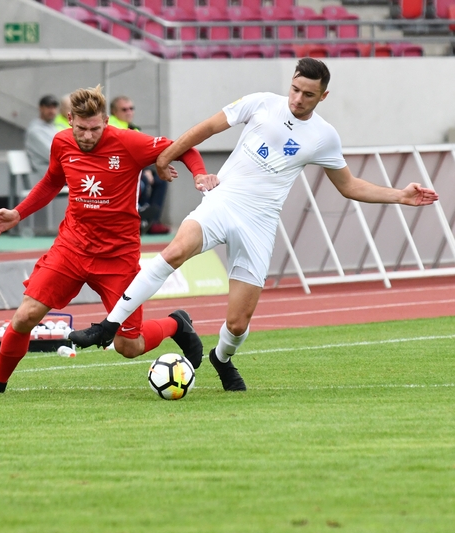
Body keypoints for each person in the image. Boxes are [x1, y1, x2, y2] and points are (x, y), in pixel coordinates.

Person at [69, 58, 440, 392]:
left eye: (308, 94)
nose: (297, 99)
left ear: (323, 96)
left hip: (260, 224)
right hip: (223, 201)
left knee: (237, 323)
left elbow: (349, 186)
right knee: (175, 251)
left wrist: (401, 196)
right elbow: (207, 128)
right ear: (290, 83)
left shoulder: (324, 136)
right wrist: (165, 156)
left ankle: (222, 359)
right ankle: (108, 325)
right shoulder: (262, 102)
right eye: (295, 89)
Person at [0, 85, 207, 397]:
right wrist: (18, 214)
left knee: (129, 346)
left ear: (105, 120)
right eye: (81, 128)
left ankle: (176, 323)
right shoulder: (61, 141)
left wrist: (198, 175)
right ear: (69, 120)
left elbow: (185, 147)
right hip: (72, 247)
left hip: (118, 256)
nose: (88, 136)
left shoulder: (128, 141)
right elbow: (52, 180)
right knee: (25, 316)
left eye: (95, 128)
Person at [109, 95, 170, 235]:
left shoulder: (132, 128)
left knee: (161, 179)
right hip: (118, 169)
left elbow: (142, 151)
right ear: (114, 112)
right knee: (141, 181)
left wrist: (147, 168)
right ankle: (137, 219)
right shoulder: (112, 126)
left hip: (135, 167)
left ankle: (152, 221)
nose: (129, 112)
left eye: (131, 108)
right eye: (124, 109)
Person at [24, 94, 60, 183]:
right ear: (40, 108)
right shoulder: (35, 131)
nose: (52, 111)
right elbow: (53, 154)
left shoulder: (52, 128)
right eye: (48, 107)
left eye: (54, 107)